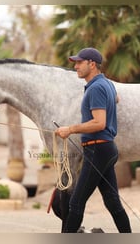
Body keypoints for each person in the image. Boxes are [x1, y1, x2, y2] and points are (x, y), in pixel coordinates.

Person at [55, 47, 131, 233]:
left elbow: (99, 123)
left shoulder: (96, 88)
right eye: (76, 63)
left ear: (92, 64)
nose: (76, 67)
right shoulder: (106, 84)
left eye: (80, 63)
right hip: (105, 149)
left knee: (76, 202)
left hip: (97, 150)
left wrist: (70, 129)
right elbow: (116, 99)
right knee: (112, 202)